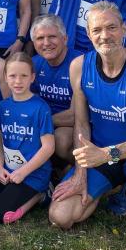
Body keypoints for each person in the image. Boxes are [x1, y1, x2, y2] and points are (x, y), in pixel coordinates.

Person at [48, 2, 126, 250]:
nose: (104, 35)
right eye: (97, 30)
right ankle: (119, 187)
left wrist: (108, 154)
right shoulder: (79, 66)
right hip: (99, 156)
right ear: (88, 34)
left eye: (111, 27)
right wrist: (81, 173)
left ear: (124, 28)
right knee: (60, 216)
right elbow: (81, 123)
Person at [0, 53, 55, 223]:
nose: (18, 81)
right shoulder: (2, 106)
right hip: (9, 171)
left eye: (24, 76)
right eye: (12, 76)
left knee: (0, 215)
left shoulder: (40, 108)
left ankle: (41, 194)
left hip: (33, 174)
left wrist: (23, 172)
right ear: (5, 77)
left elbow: (48, 147)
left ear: (32, 77)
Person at [30, 14, 76, 164]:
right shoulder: (33, 64)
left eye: (52, 37)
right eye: (40, 38)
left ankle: (88, 169)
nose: (46, 43)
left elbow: (75, 115)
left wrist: (39, 122)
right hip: (45, 120)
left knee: (61, 140)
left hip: (71, 124)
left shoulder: (79, 63)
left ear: (65, 39)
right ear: (33, 43)